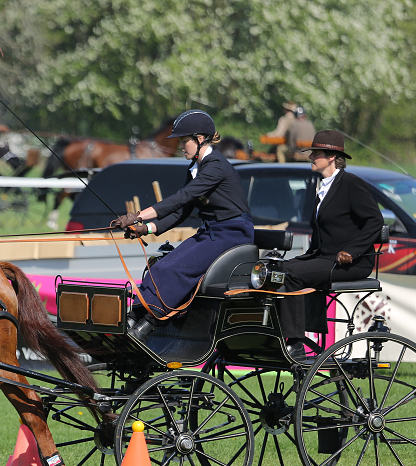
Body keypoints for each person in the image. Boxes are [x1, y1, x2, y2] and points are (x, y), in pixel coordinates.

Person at [112, 110, 254, 342]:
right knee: (159, 265)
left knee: (173, 269)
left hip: (233, 234)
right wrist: (146, 229)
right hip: (212, 232)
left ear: (199, 139)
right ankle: (134, 317)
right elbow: (180, 212)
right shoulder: (195, 167)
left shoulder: (215, 165)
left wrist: (137, 216)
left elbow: (180, 198)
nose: (180, 146)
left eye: (183, 140)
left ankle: (147, 324)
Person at [279, 130, 383, 360]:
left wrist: (352, 251)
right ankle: (284, 334)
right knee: (277, 269)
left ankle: (295, 342)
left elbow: (375, 221)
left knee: (291, 273)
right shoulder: (322, 187)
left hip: (352, 263)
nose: (311, 158)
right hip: (324, 257)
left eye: (316, 154)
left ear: (332, 157)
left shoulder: (351, 184)